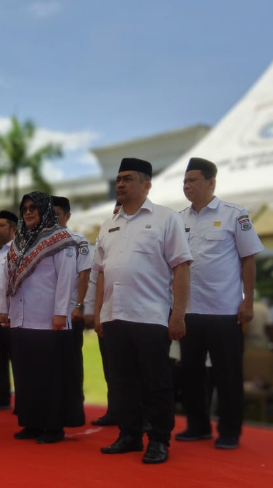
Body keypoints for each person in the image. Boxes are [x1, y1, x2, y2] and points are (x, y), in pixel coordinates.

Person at [94, 158, 192, 464]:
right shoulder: (109, 223)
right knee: (121, 382)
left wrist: (178, 314)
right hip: (115, 316)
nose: (120, 184)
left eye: (127, 178)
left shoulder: (165, 218)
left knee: (156, 382)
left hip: (150, 316)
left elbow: (182, 267)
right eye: (118, 179)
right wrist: (98, 313)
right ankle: (130, 435)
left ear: (146, 184)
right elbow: (100, 273)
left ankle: (159, 440)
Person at [177, 157, 264, 449]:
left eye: (193, 180)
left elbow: (248, 260)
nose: (187, 186)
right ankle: (198, 425)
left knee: (227, 374)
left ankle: (229, 430)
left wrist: (247, 301)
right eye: (185, 181)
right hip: (189, 311)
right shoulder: (178, 219)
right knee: (190, 373)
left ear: (211, 182)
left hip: (224, 310)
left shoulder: (234, 214)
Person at [0, 192, 80, 444]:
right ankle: (31, 422)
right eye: (25, 209)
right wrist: (3, 308)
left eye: (34, 208)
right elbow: (6, 279)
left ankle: (53, 426)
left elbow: (67, 280)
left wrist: (60, 313)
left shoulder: (60, 240)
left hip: (48, 320)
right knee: (25, 374)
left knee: (49, 376)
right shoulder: (17, 242)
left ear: (46, 210)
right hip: (20, 318)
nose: (29, 212)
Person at [52, 196, 92, 427]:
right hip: (46, 317)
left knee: (72, 365)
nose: (53, 218)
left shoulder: (78, 241)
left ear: (67, 216)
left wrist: (79, 305)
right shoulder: (41, 243)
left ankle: (74, 413)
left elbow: (84, 274)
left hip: (70, 313)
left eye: (57, 214)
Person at [84, 201, 122, 426]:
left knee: (138, 370)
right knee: (111, 366)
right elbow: (95, 278)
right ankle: (116, 410)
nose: (118, 215)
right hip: (108, 311)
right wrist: (93, 312)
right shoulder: (106, 236)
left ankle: (144, 415)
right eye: (115, 211)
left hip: (139, 314)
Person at [0, 210, 18, 411]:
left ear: (14, 229)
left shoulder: (19, 250)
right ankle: (3, 396)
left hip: (13, 315)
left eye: (1, 226)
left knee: (18, 359)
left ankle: (23, 400)